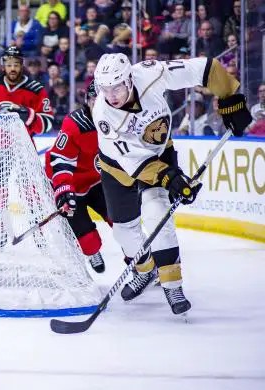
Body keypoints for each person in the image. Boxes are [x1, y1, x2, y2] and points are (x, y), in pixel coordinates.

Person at [92, 53, 252, 315]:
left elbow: (203, 68)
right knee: (123, 232)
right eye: (105, 88)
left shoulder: (149, 73)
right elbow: (134, 161)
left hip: (158, 153)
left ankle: (172, 285)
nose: (112, 95)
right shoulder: (103, 112)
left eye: (117, 86)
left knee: (158, 215)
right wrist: (172, 178)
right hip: (118, 167)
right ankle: (145, 270)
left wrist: (230, 98)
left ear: (130, 79)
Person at [0, 46, 55, 246]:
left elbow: (47, 122)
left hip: (23, 148)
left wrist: (29, 115)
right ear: (4, 65)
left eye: (16, 64)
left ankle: (37, 227)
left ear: (21, 65)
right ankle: (3, 228)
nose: (12, 68)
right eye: (9, 64)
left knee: (31, 190)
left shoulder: (35, 89)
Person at [45, 81, 111, 273]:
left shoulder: (118, 120)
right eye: (94, 100)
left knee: (123, 222)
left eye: (103, 100)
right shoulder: (75, 124)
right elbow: (59, 159)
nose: (98, 105)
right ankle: (92, 253)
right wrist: (63, 188)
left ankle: (140, 263)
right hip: (72, 184)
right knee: (89, 241)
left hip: (97, 182)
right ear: (87, 101)